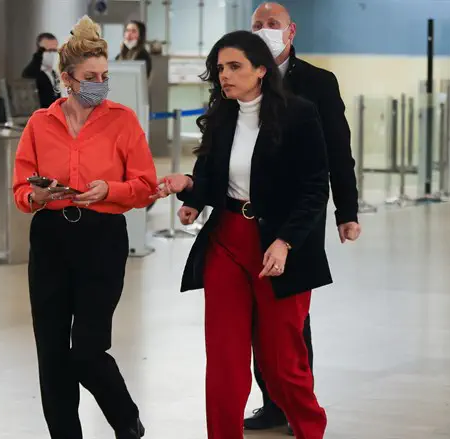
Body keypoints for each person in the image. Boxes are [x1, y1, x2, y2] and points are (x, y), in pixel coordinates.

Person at [152, 30, 331, 439]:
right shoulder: (222, 115)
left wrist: (285, 242)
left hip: (279, 245)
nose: (225, 76)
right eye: (220, 69)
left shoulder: (299, 114)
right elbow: (211, 173)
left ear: (262, 71)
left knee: (281, 361)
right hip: (228, 240)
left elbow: (315, 189)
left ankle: (310, 429)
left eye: (235, 67)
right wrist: (191, 193)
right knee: (225, 358)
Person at [12, 15, 156, 439]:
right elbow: (20, 187)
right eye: (90, 76)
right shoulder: (40, 123)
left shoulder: (123, 121)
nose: (99, 83)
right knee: (52, 352)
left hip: (102, 239)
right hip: (52, 239)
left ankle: (125, 419)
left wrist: (107, 189)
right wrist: (35, 196)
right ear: (67, 79)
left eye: (105, 75)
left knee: (88, 349)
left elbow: (146, 186)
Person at [245, 2, 362, 434]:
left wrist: (345, 211)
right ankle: (271, 402)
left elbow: (337, 151)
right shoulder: (237, 78)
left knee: (292, 316)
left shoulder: (317, 82)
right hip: (251, 215)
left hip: (300, 214)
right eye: (256, 25)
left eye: (271, 25)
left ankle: (298, 403)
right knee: (259, 313)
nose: (263, 31)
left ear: (290, 32)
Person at [22, 32, 62, 108]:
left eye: (54, 50)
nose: (52, 54)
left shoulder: (53, 73)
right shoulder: (31, 72)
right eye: (49, 50)